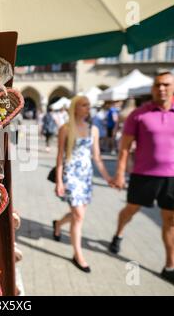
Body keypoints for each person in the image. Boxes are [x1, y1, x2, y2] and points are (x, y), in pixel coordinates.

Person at [108, 71, 174, 293]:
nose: (161, 89)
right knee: (131, 210)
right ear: (153, 89)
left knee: (172, 221)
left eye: (166, 85)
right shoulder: (138, 115)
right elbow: (124, 149)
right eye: (157, 85)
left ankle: (171, 267)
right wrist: (120, 174)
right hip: (144, 175)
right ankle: (119, 232)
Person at [53, 96, 112, 273]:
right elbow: (60, 157)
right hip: (71, 175)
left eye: (88, 105)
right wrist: (59, 181)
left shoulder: (93, 129)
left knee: (77, 215)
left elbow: (97, 157)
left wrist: (108, 178)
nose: (88, 108)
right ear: (75, 108)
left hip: (86, 176)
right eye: (84, 105)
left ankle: (58, 224)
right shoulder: (65, 129)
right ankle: (78, 254)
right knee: (78, 215)